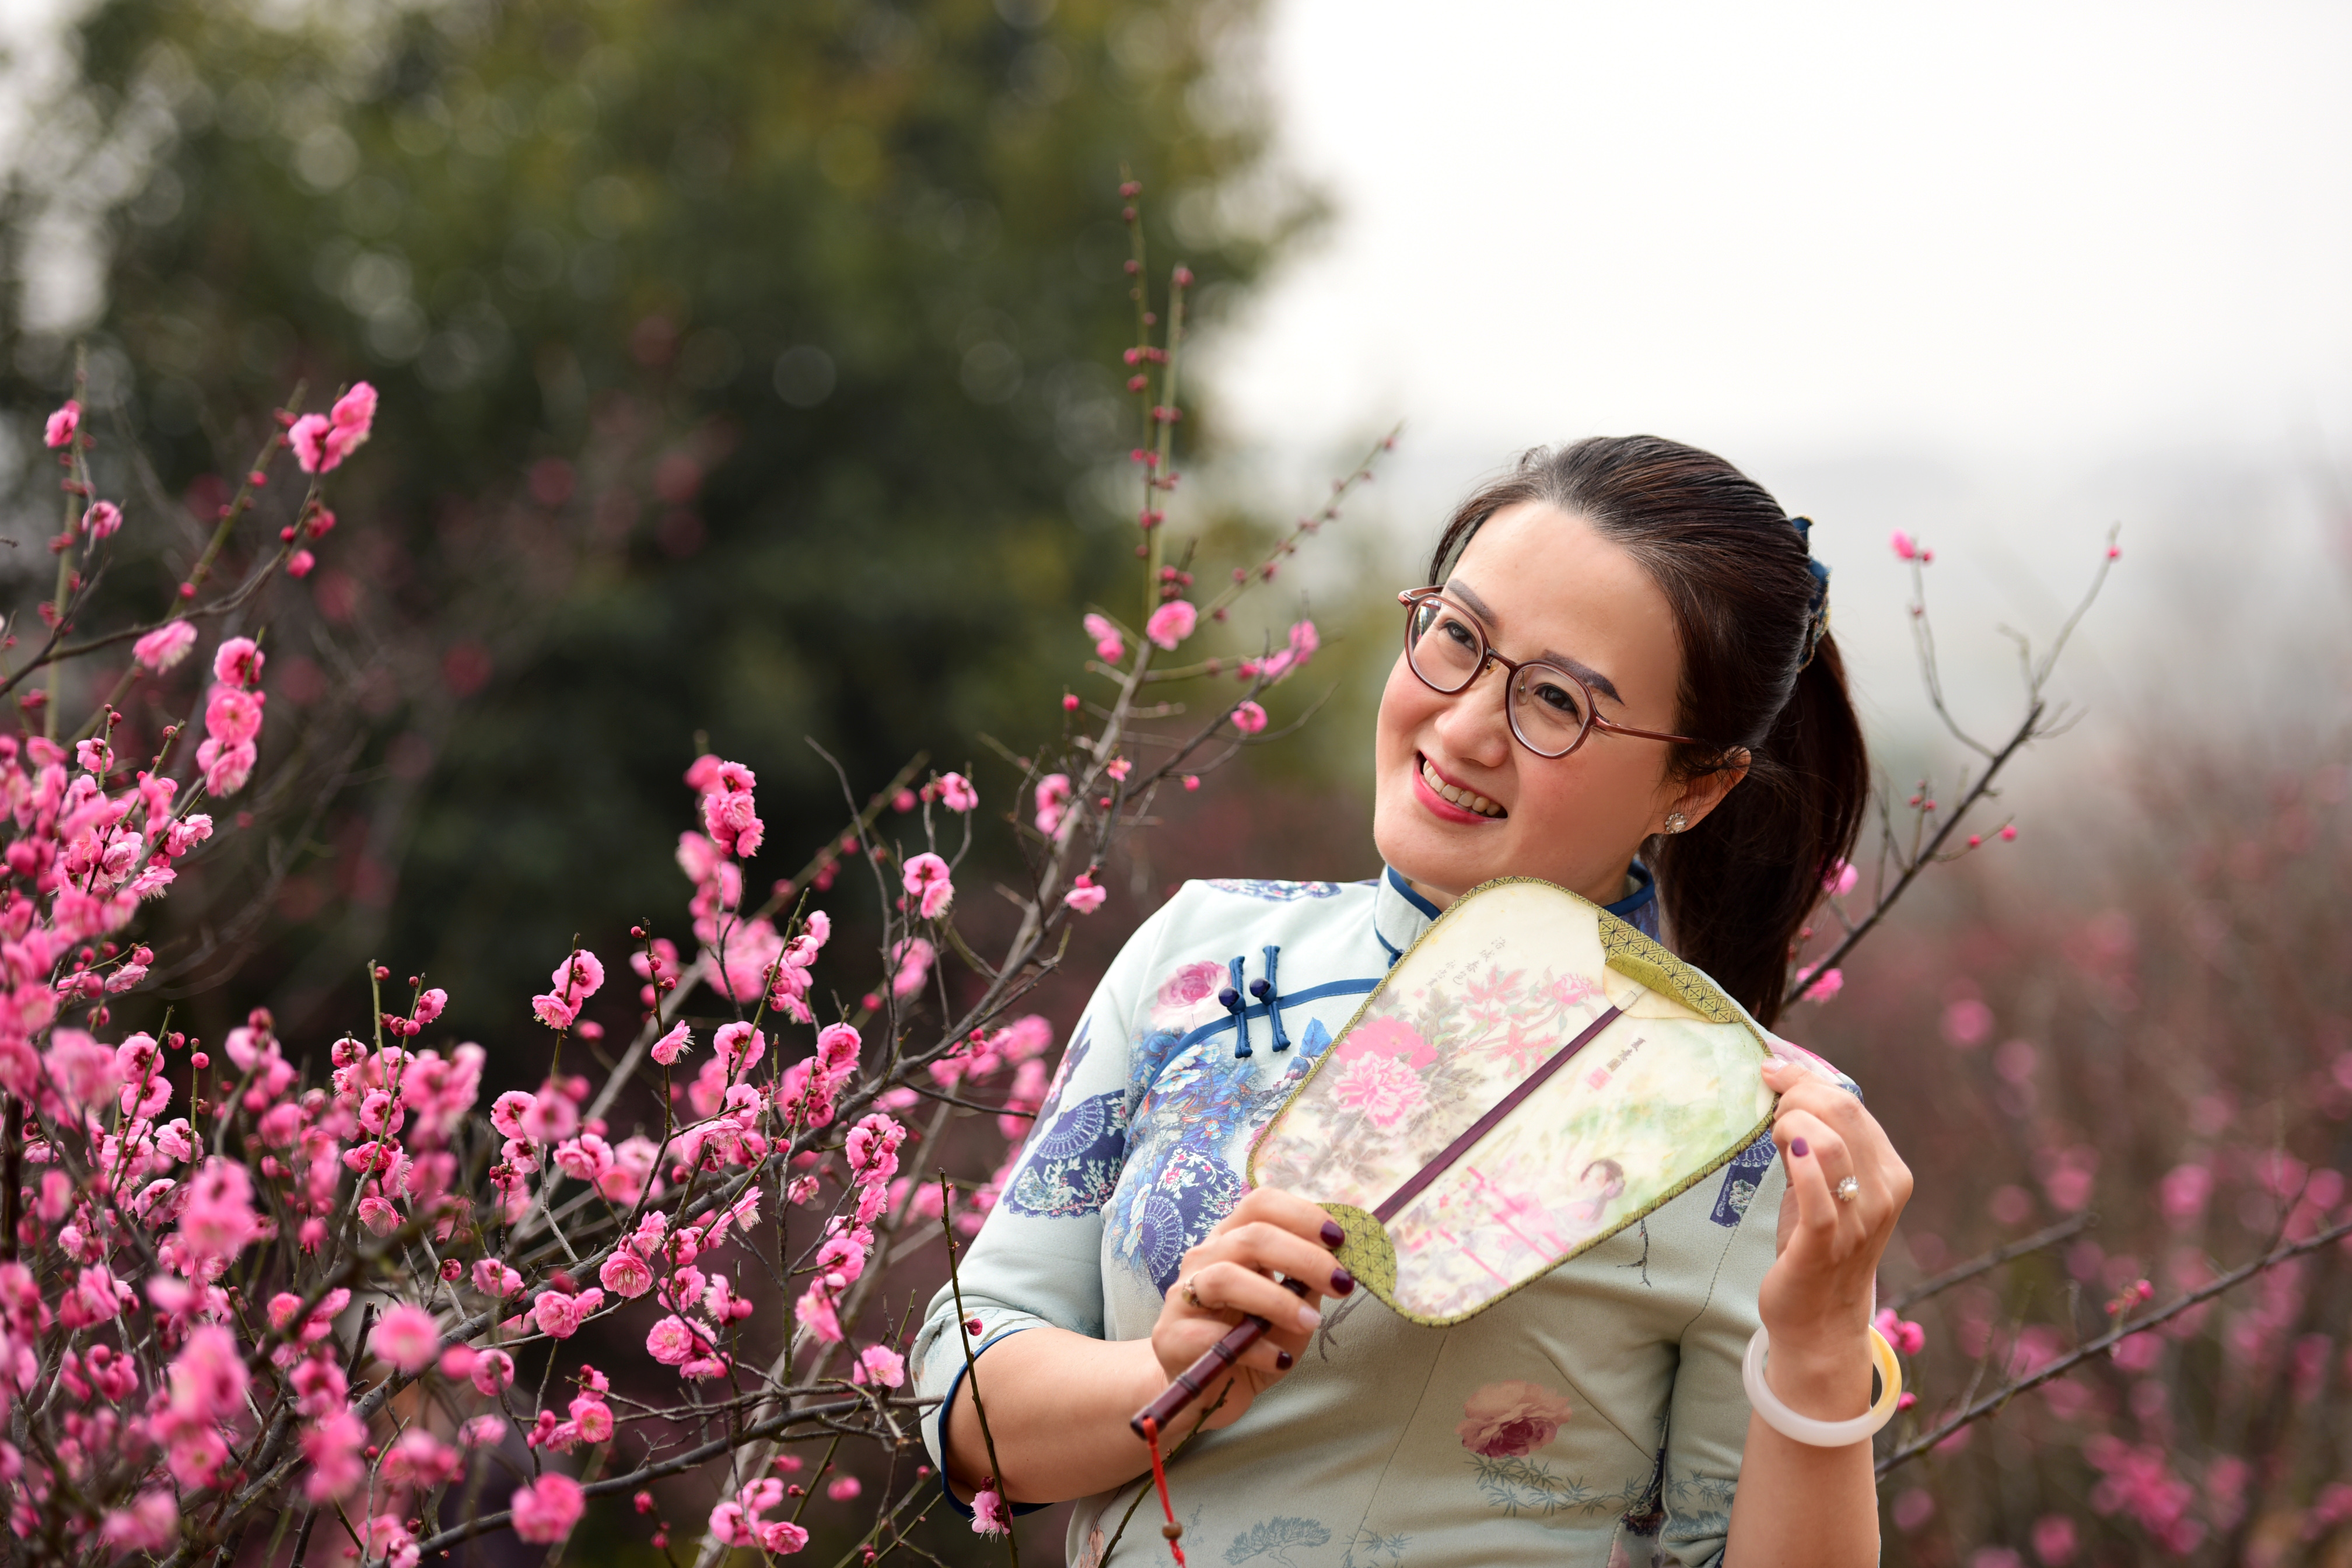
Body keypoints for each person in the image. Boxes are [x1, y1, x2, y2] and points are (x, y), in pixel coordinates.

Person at [913, 436, 1914, 1568]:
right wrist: (1165, 1373)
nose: (1467, 726)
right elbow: (969, 1382)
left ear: (1696, 784)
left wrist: (1825, 1344)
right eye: (1457, 639)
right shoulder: (1205, 955)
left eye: (1556, 702)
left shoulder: (1745, 1128)